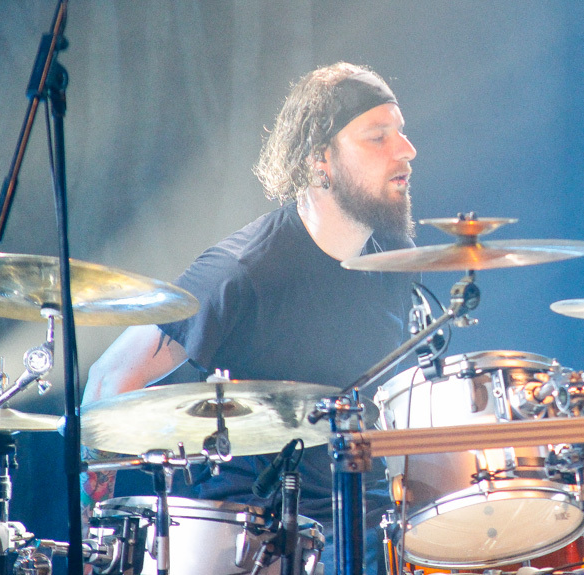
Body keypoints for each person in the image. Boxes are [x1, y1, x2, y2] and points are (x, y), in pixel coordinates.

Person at [80, 62, 419, 575]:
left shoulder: (395, 256)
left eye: (401, 132)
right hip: (258, 536)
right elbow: (110, 380)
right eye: (378, 136)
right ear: (320, 159)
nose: (406, 150)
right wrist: (94, 520)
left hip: (368, 519)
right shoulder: (242, 270)